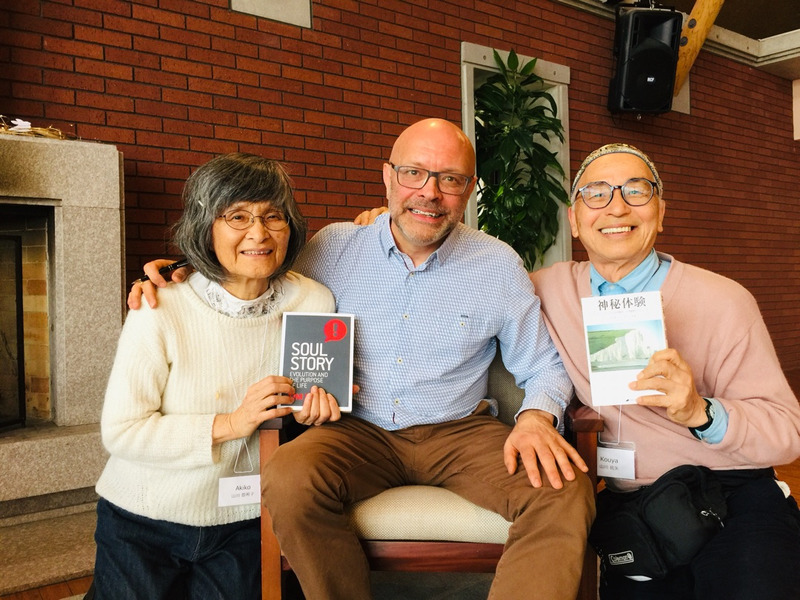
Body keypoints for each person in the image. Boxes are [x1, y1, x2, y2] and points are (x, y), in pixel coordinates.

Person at [130, 118, 596, 600]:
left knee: (564, 490)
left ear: (469, 189)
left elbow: (543, 364)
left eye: (450, 179)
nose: (430, 192)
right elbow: (257, 277)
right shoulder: (332, 248)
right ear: (388, 177)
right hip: (355, 430)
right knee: (289, 478)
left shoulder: (497, 264)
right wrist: (188, 272)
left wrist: (536, 417)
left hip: (459, 431)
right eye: (414, 173)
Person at [529, 143, 800, 599]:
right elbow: (470, 284)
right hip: (632, 506)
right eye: (596, 193)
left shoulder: (725, 300)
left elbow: (788, 431)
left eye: (636, 190)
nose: (616, 206)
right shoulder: (547, 290)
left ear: (660, 213)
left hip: (731, 492)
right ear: (574, 220)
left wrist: (702, 413)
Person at [93, 153, 338, 599]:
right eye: (237, 217)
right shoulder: (159, 305)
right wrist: (231, 423)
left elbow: (303, 404)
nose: (259, 233)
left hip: (245, 519)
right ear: (205, 227)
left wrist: (310, 415)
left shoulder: (314, 302)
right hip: (143, 517)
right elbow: (122, 431)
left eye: (273, 216)